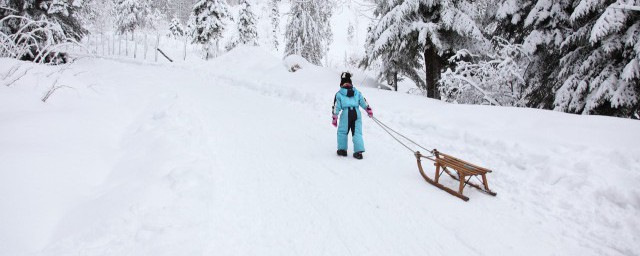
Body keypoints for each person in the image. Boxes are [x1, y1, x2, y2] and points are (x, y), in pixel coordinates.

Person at [332, 72, 373, 159]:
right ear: (350, 82)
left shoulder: (339, 94)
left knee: (342, 131)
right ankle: (358, 152)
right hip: (356, 113)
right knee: (357, 132)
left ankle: (342, 150)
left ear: (341, 83)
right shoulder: (357, 92)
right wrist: (368, 109)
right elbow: (363, 101)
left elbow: (336, 106)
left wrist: (335, 117)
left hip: (346, 113)